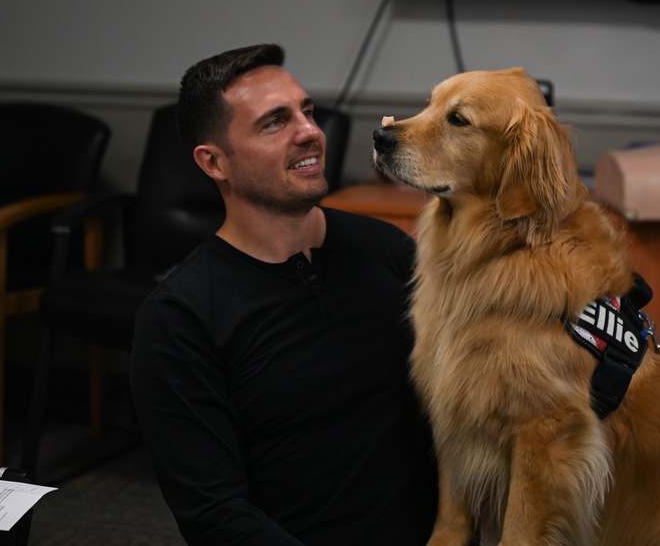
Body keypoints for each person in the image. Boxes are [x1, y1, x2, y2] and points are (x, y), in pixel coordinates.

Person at [129, 44, 438, 545]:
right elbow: (214, 513)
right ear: (214, 163)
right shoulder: (180, 318)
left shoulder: (385, 250)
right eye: (275, 122)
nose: (309, 132)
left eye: (307, 111)